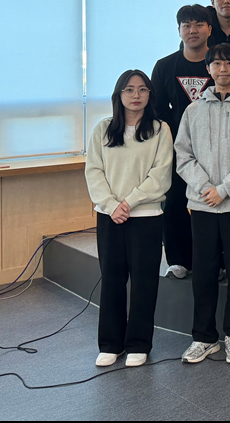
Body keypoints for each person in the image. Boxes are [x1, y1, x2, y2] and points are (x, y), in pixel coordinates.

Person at [174, 44, 230, 365]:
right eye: (217, 63)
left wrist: (224, 190)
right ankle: (204, 337)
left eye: (229, 63)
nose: (222, 69)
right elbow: (183, 155)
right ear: (208, 69)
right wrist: (205, 188)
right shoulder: (193, 110)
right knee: (204, 273)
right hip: (203, 205)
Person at [85, 69, 173, 369]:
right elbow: (93, 171)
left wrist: (129, 202)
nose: (136, 95)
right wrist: (112, 205)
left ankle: (138, 343)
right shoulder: (103, 129)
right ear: (119, 95)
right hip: (110, 217)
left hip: (146, 215)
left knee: (144, 282)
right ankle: (110, 343)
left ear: (150, 94)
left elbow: (160, 175)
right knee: (111, 279)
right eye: (129, 89)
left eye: (142, 89)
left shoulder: (160, 130)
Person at [151, 4, 213, 280]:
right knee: (174, 201)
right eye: (186, 25)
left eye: (199, 24)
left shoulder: (222, 62)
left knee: (212, 202)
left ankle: (215, 260)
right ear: (179, 30)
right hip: (176, 147)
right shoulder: (165, 66)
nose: (193, 30)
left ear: (209, 28)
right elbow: (157, 110)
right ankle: (178, 260)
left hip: (215, 146)